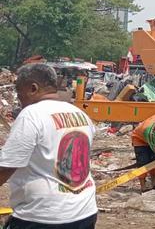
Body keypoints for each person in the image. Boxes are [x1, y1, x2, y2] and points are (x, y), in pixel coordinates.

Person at [0, 64, 97, 229]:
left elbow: (7, 166)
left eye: (19, 92)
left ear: (33, 88)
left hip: (43, 217)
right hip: (84, 211)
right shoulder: (80, 114)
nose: (18, 98)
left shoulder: (31, 115)